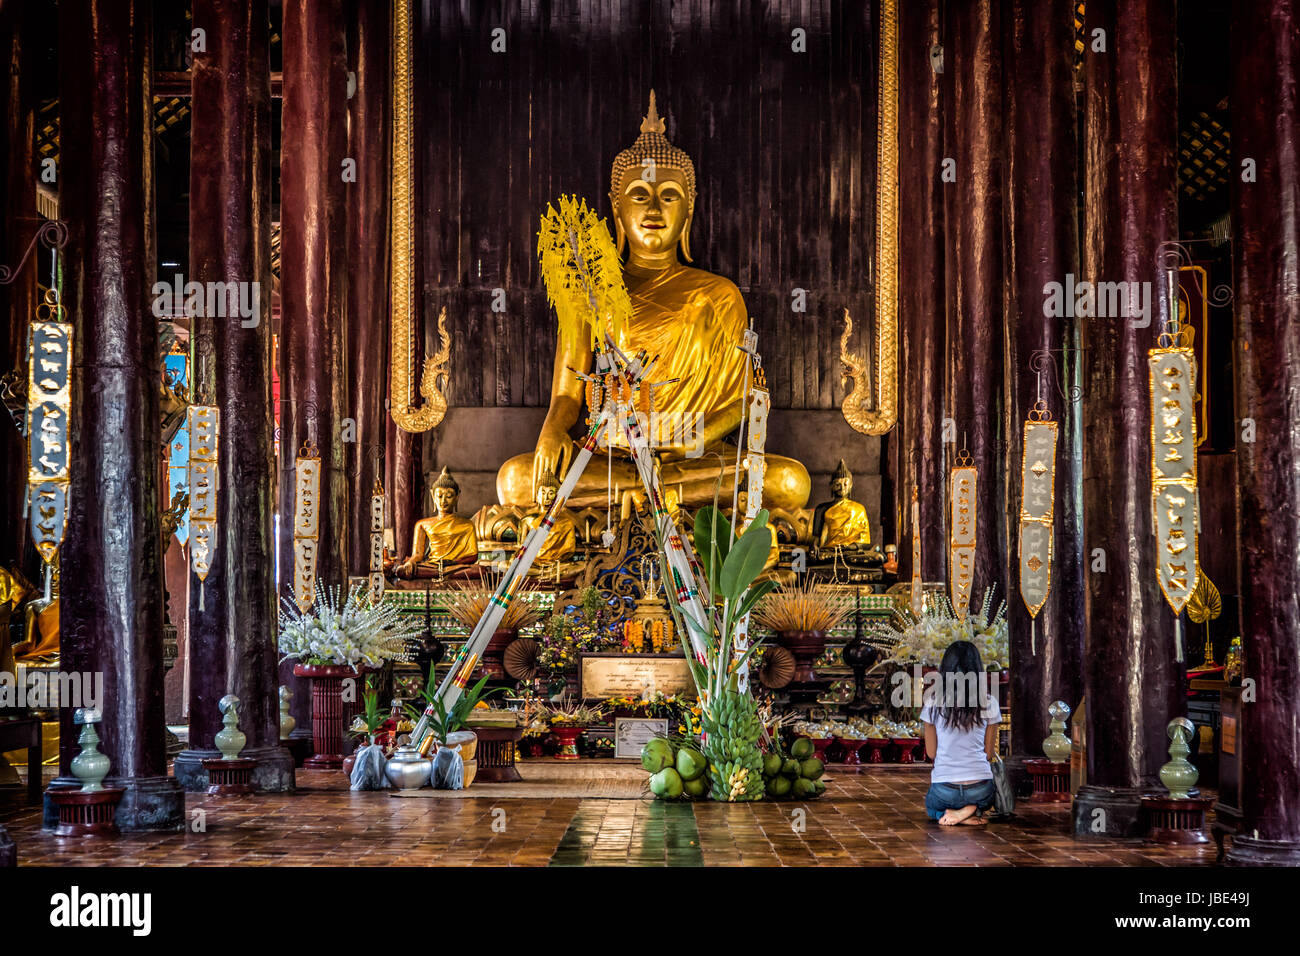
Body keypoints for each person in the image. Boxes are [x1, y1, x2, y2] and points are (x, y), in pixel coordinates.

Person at [920, 640, 1000, 826]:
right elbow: (988, 754)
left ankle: (955, 814)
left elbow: (931, 753)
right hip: (980, 788)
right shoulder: (989, 702)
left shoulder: (933, 704)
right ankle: (971, 809)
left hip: (944, 790)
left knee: (933, 809)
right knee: (988, 799)